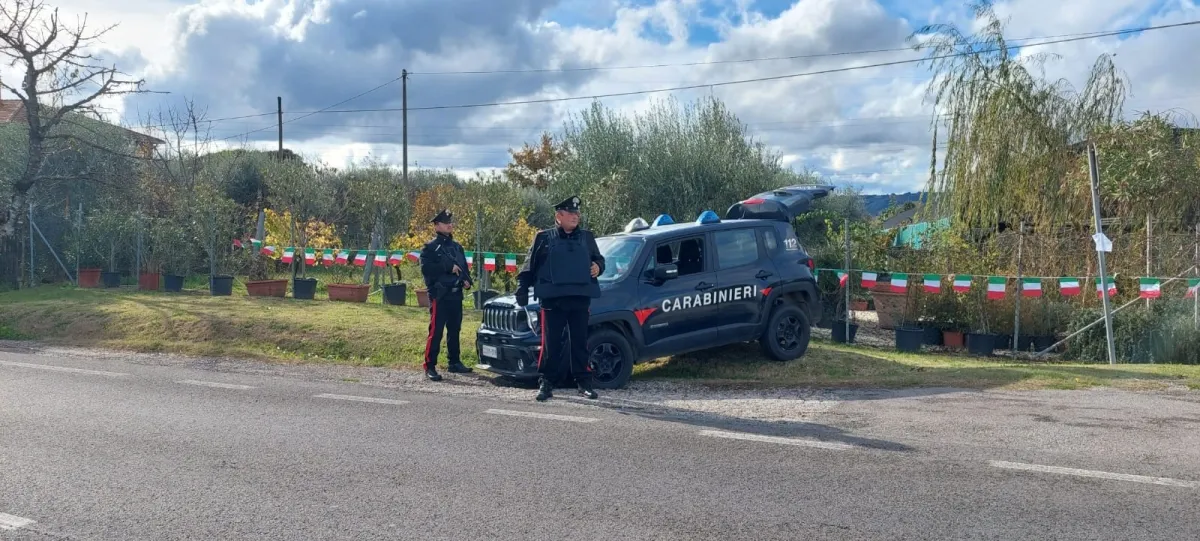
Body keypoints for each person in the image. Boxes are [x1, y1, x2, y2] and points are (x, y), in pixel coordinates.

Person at [515, 196, 605, 401]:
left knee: (580, 342)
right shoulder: (543, 238)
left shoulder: (587, 237)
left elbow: (599, 259)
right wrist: (522, 288)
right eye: (571, 213)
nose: (575, 216)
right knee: (551, 343)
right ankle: (547, 382)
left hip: (579, 298)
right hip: (553, 300)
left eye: (577, 213)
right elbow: (529, 266)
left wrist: (598, 267)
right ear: (559, 216)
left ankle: (584, 382)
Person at [420, 209, 473, 382]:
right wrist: (448, 268)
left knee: (455, 330)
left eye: (450, 222)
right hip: (440, 295)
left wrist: (467, 281)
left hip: (456, 294)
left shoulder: (457, 247)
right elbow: (426, 269)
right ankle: (430, 365)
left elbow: (464, 268)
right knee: (436, 331)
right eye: (445, 222)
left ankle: (454, 362)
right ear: (436, 226)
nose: (449, 225)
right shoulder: (430, 248)